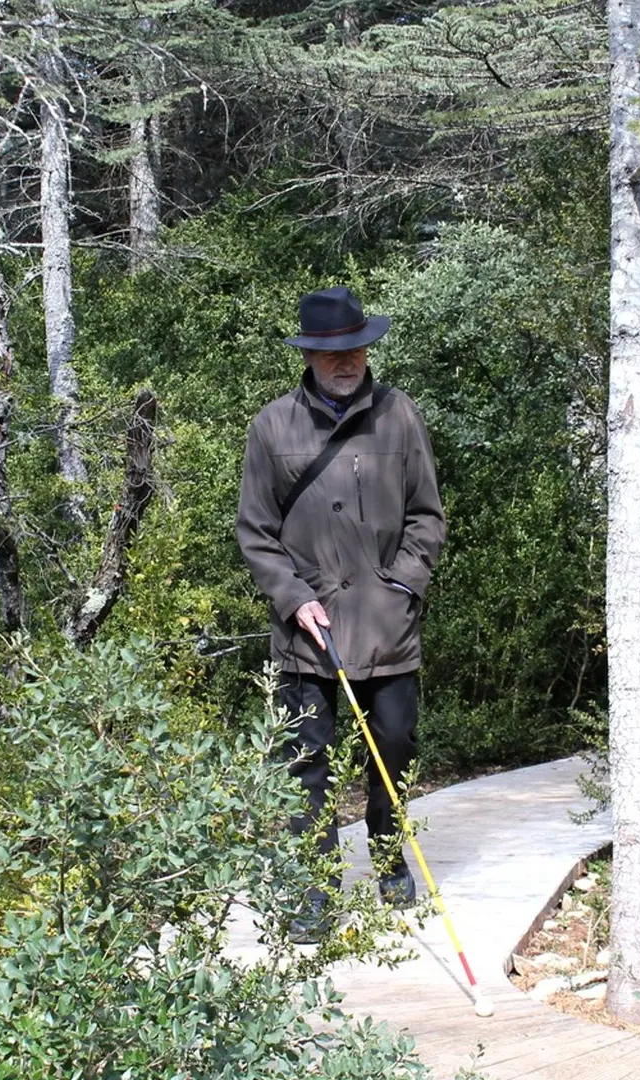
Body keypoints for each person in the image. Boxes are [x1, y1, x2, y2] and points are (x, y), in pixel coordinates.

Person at [236, 285, 446, 942]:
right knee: (306, 766)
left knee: (394, 749)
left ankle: (387, 857)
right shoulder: (273, 426)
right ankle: (316, 891)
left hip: (388, 628)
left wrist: (402, 586)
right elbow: (255, 532)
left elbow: (427, 517)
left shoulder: (399, 416)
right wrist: (295, 599)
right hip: (308, 635)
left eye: (353, 348)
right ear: (309, 356)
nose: (345, 362)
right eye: (331, 353)